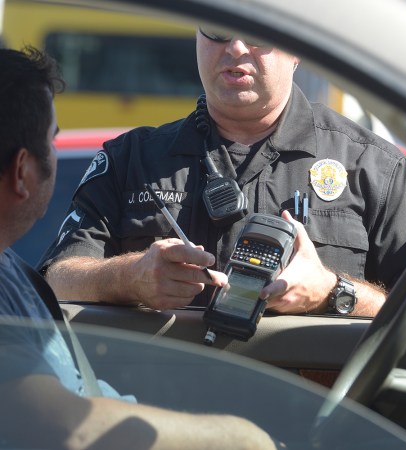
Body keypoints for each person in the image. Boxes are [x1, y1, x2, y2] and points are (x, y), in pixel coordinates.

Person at [39, 28, 406, 317]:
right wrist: (131, 277)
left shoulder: (371, 166)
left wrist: (334, 292)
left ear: (298, 46)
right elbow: (55, 281)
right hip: (156, 421)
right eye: (217, 30)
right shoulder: (131, 159)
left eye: (257, 32)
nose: (234, 47)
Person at [0, 46, 276, 450]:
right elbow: (57, 425)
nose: (236, 47)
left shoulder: (8, 270)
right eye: (53, 141)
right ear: (24, 171)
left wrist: (335, 290)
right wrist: (242, 439)